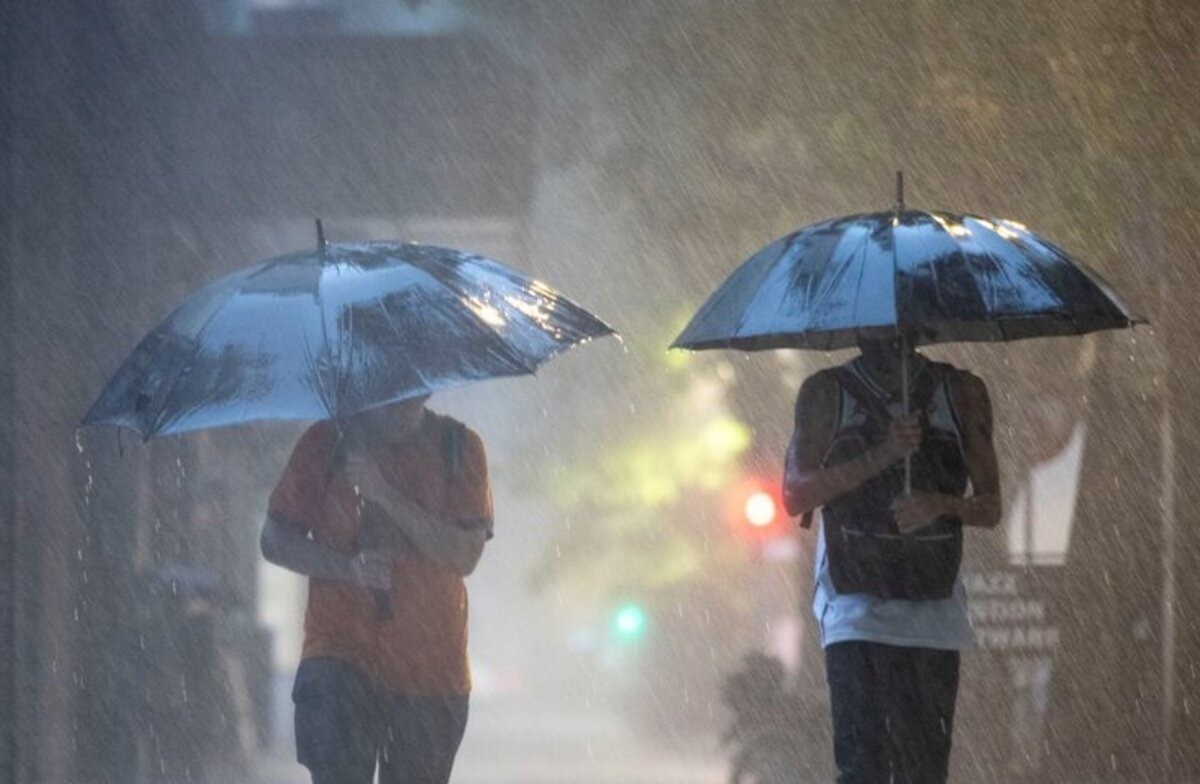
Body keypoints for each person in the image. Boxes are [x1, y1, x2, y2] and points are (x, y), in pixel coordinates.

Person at [783, 336, 1000, 784]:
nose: (887, 334)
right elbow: (795, 494)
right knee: (863, 769)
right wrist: (882, 455)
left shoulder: (960, 391)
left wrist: (939, 504)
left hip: (933, 618)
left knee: (924, 772)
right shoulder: (826, 393)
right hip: (854, 613)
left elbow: (991, 506)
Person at [261, 395, 493, 784]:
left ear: (428, 390)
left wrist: (382, 492)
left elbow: (464, 555)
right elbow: (274, 540)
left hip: (431, 671)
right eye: (388, 397)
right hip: (338, 655)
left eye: (411, 395)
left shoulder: (459, 447)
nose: (400, 407)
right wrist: (348, 569)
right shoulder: (326, 444)